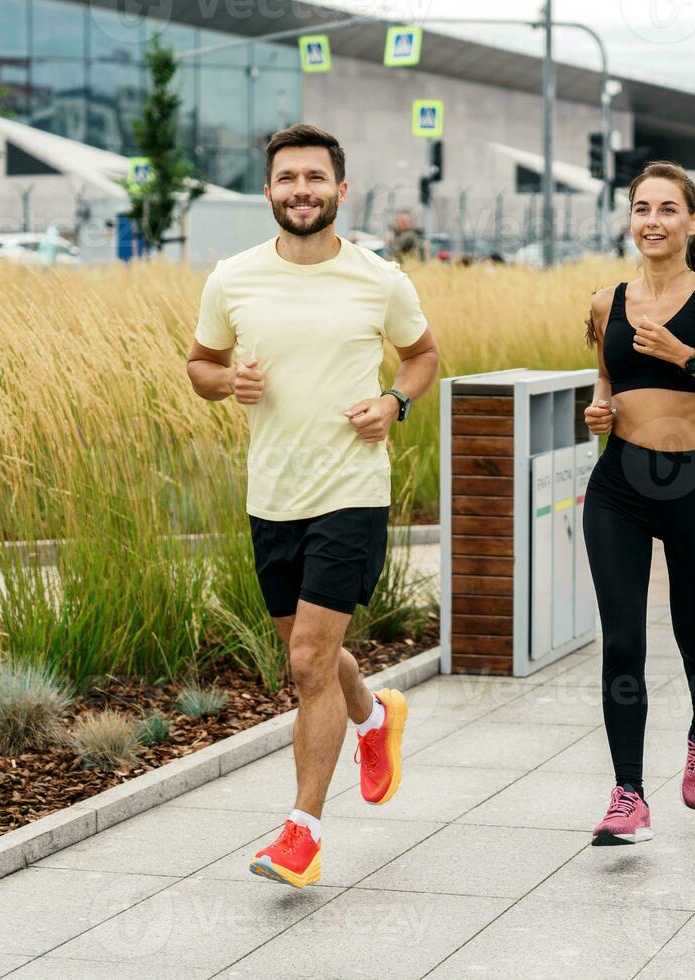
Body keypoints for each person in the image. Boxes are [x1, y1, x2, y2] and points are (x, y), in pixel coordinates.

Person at [186, 124, 440, 886]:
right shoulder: (232, 277)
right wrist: (228, 383)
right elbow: (200, 364)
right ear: (268, 192)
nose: (302, 190)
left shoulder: (379, 279)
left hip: (351, 491)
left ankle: (302, 834)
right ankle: (374, 717)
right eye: (287, 178)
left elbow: (423, 355)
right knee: (314, 655)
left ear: (340, 190)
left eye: (315, 178)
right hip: (273, 494)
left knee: (306, 662)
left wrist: (394, 401)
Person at [580, 160, 695, 845]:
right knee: (623, 639)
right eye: (640, 209)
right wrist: (598, 411)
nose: (651, 221)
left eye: (666, 209)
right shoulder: (606, 301)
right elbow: (605, 379)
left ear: (693, 221)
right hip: (619, 488)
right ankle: (628, 795)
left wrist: (685, 354)